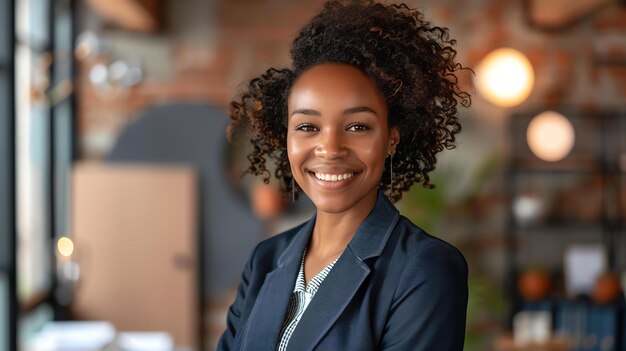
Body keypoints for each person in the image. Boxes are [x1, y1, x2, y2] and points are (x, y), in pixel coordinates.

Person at [217, 1, 471, 350]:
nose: (330, 148)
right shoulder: (266, 259)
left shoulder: (424, 269)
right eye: (307, 126)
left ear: (391, 138)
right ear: (286, 137)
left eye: (357, 126)